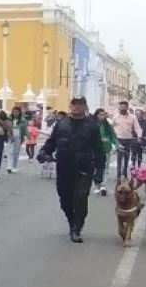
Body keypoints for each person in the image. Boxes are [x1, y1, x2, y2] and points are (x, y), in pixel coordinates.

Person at [39, 97, 106, 242]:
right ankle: (72, 221)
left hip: (83, 168)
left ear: (85, 107)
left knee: (80, 198)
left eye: (79, 105)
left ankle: (77, 228)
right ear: (70, 106)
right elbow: (51, 143)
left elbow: (99, 149)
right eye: (74, 104)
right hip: (64, 167)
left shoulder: (92, 126)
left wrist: (99, 170)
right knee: (64, 199)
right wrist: (44, 152)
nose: (76, 107)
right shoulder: (61, 124)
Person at [110, 100, 140, 181]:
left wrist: (139, 137)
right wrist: (112, 139)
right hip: (118, 139)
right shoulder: (115, 117)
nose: (122, 108)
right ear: (119, 108)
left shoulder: (133, 117)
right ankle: (118, 175)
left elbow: (137, 128)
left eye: (124, 107)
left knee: (126, 157)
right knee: (119, 158)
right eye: (121, 107)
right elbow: (111, 128)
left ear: (127, 108)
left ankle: (125, 174)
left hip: (128, 140)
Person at [8, 104, 27, 174]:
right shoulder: (9, 119)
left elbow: (25, 130)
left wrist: (23, 137)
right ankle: (9, 166)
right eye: (14, 112)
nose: (15, 113)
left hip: (18, 137)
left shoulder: (23, 120)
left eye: (16, 112)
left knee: (16, 153)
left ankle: (14, 167)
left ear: (19, 112)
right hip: (10, 136)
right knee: (10, 152)